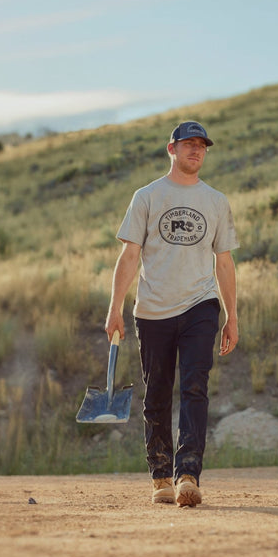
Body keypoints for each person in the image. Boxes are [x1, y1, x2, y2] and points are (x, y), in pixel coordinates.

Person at [104, 121, 239, 507]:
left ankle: (188, 475)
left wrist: (231, 315)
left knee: (195, 386)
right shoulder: (147, 196)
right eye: (188, 144)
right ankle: (161, 475)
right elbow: (129, 255)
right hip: (153, 309)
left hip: (201, 305)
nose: (196, 151)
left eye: (201, 145)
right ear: (171, 149)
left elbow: (225, 263)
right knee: (158, 393)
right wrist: (115, 307)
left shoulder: (216, 201)